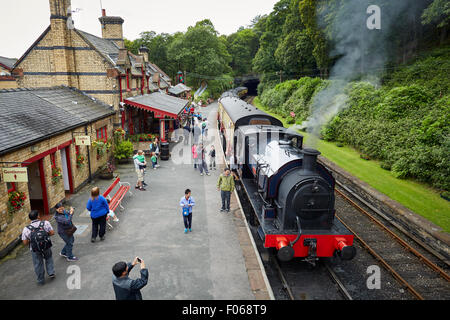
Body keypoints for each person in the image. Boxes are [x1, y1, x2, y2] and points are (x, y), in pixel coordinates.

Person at [21, 210, 55, 285]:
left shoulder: (26, 229)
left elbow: (25, 242)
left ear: (30, 219)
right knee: (48, 258)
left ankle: (41, 280)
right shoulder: (45, 223)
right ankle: (51, 272)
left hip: (35, 249)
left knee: (38, 263)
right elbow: (52, 233)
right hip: (46, 245)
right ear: (38, 216)